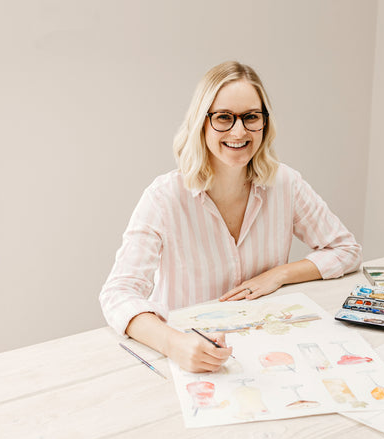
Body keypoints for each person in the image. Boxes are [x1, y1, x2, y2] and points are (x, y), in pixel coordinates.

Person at [99, 61, 362, 373]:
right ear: (202, 123)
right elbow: (118, 294)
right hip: (187, 357)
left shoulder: (285, 184)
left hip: (266, 352)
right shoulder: (163, 197)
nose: (239, 132)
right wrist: (173, 344)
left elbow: (347, 251)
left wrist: (277, 275)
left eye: (251, 117)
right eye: (224, 117)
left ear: (264, 123)